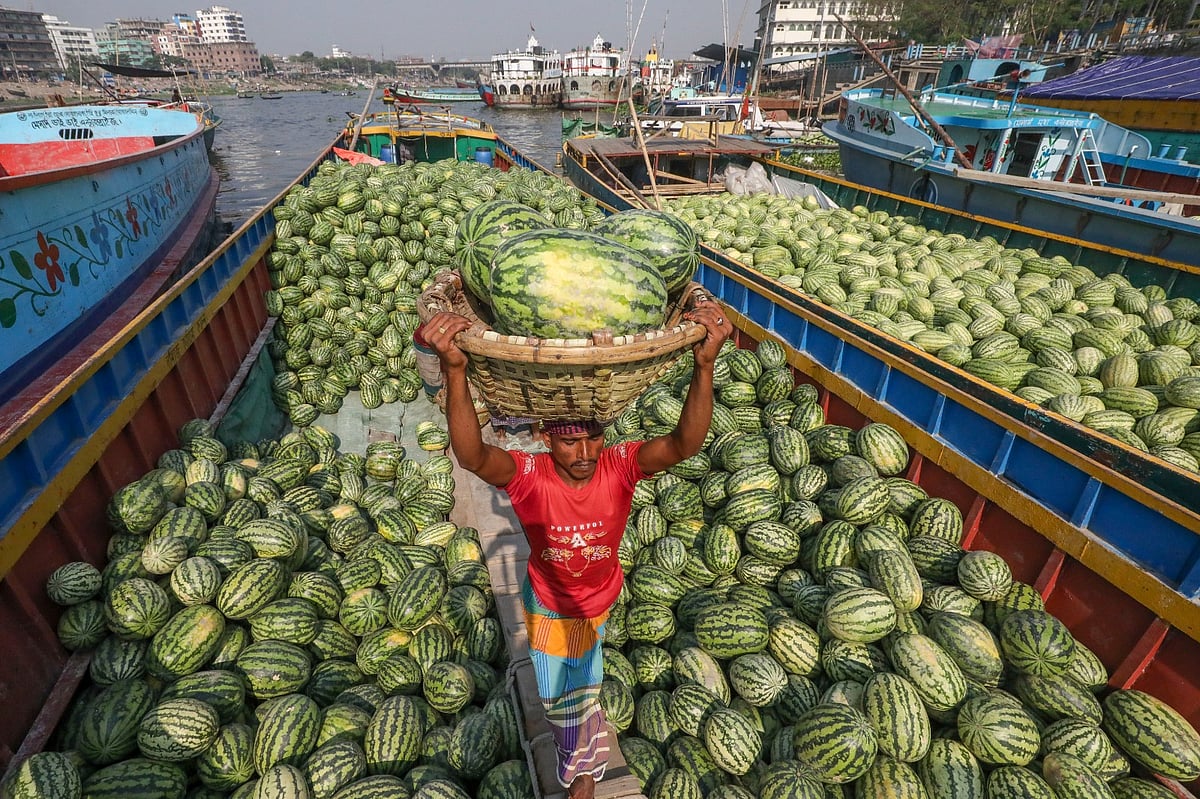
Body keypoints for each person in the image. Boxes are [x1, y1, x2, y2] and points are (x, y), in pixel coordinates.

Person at [423, 302, 731, 799]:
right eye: (569, 443)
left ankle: (582, 743)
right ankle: (579, 775)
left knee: (584, 682)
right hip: (551, 608)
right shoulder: (529, 476)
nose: (584, 454)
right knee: (560, 700)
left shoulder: (621, 465)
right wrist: (455, 370)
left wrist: (704, 365)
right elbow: (472, 456)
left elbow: (683, 445)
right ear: (546, 438)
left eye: (593, 439)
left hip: (601, 599)